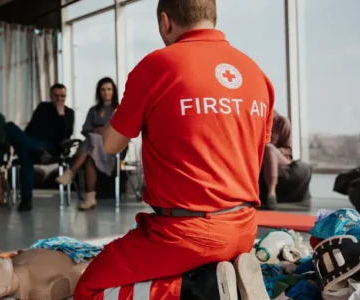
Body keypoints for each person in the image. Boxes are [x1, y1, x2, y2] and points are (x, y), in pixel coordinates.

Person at [73, 0, 272, 299]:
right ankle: (215, 276)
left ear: (165, 22)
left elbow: (112, 144)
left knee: (89, 288)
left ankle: (198, 290)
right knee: (189, 256)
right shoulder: (257, 74)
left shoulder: (158, 65)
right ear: (212, 16)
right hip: (244, 228)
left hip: (183, 234)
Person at [4, 83, 75, 212]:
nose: (59, 99)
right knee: (9, 126)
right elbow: (31, 128)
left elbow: (67, 135)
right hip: (33, 142)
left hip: (51, 147)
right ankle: (35, 150)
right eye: (56, 96)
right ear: (51, 96)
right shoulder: (43, 107)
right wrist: (24, 141)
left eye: (62, 96)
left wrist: (61, 115)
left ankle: (26, 201)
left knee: (25, 157)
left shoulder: (69, 113)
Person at [55, 77, 119, 211]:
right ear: (99, 92)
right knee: (90, 151)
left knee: (92, 139)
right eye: (103, 90)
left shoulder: (120, 109)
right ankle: (90, 198)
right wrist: (96, 131)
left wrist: (105, 131)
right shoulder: (93, 110)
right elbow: (85, 129)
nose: (106, 93)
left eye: (109, 89)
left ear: (113, 91)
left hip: (112, 147)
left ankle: (71, 172)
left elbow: (123, 131)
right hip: (94, 147)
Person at [260, 111, 312, 210]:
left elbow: (288, 150)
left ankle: (271, 193)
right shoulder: (254, 121)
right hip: (259, 159)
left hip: (281, 158)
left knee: (268, 148)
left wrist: (271, 151)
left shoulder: (281, 121)